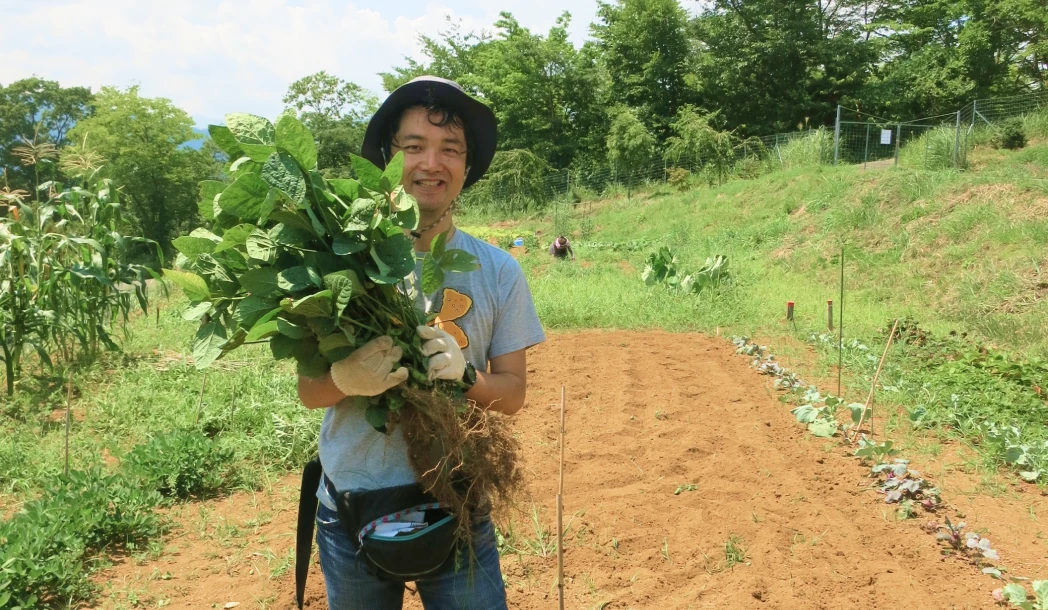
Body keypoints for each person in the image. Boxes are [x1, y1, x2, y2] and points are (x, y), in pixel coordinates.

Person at [295, 76, 546, 610]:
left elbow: (514, 396)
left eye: (450, 149)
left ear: (465, 168)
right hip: (350, 505)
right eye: (414, 146)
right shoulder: (341, 260)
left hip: (458, 501)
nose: (431, 163)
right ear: (389, 159)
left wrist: (466, 375)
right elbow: (309, 391)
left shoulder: (499, 271)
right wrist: (344, 379)